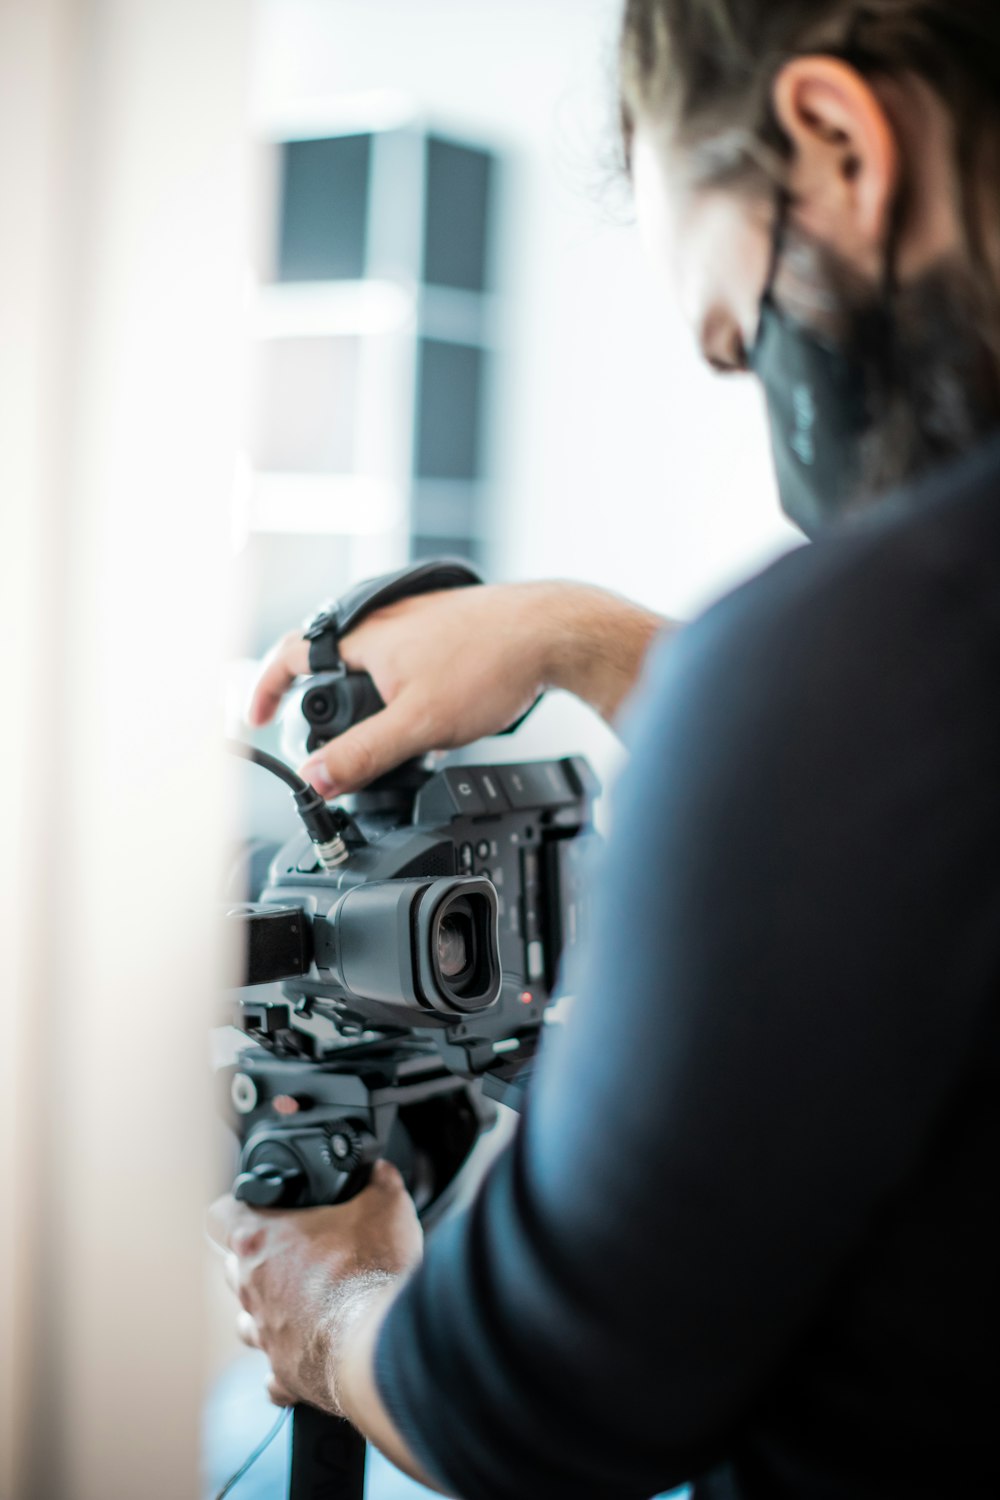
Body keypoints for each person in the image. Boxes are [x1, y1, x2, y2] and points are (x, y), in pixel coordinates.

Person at [210, 3, 1000, 1497]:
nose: (773, 421)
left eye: (740, 336)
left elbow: (543, 1399)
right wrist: (584, 637)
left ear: (838, 143)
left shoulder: (847, 661)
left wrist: (328, 1313)